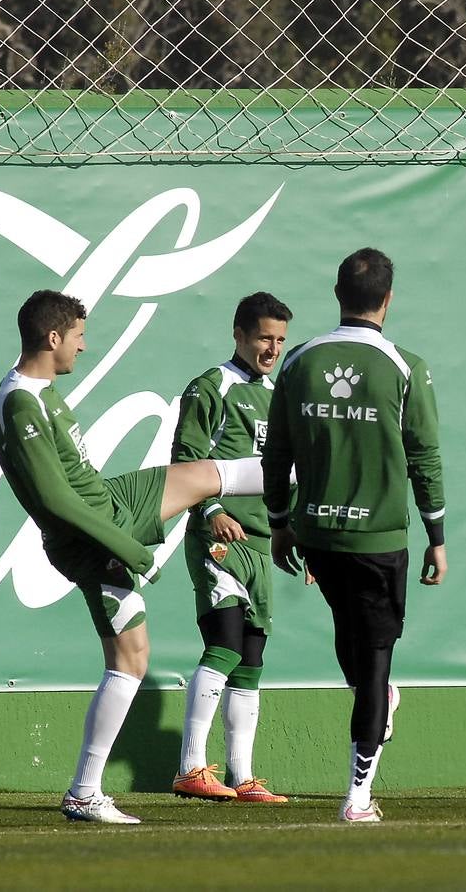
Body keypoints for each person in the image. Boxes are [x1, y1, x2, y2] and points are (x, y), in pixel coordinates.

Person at [0, 289, 270, 824]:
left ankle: (318, 469)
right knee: (130, 660)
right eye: (78, 336)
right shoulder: (20, 402)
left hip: (111, 505)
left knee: (209, 473)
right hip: (92, 540)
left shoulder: (39, 391)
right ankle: (84, 792)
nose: (83, 346)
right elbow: (55, 501)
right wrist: (132, 552)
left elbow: (77, 488)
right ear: (53, 338)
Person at [263, 247, 446, 823]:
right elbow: (425, 455)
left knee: (353, 641)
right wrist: (437, 534)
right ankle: (358, 796)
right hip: (378, 541)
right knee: (372, 662)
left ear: (338, 294)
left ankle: (379, 701)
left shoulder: (298, 361)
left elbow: (278, 451)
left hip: (317, 532)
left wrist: (278, 521)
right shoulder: (404, 366)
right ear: (387, 300)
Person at [169, 292, 293, 805]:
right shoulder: (210, 386)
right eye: (265, 337)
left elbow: (288, 473)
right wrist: (209, 511)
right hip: (219, 537)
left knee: (252, 656)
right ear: (239, 334)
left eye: (281, 340)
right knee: (223, 644)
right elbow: (185, 459)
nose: (272, 348)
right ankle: (191, 767)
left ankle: (242, 777)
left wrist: (295, 533)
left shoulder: (278, 396)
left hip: (262, 541)